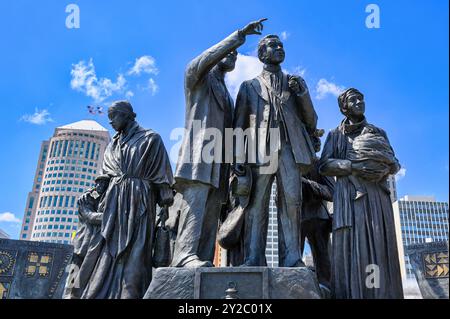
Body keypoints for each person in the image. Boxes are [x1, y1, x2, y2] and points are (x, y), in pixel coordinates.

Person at [171, 19, 267, 268]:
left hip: (220, 161)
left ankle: (201, 258)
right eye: (230, 53)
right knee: (196, 204)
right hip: (199, 155)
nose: (233, 56)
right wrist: (239, 36)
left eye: (236, 54)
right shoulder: (197, 78)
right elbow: (207, 57)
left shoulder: (226, 92)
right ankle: (183, 255)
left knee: (212, 210)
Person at [233, 34, 318, 267]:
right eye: (273, 45)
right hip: (261, 150)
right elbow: (240, 124)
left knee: (292, 201)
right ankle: (253, 257)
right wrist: (238, 157)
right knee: (256, 203)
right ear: (261, 54)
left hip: (290, 149)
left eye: (281, 45)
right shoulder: (249, 86)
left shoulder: (295, 83)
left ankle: (291, 257)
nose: (279, 48)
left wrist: (303, 94)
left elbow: (311, 122)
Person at [80, 100, 174, 299]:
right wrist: (93, 195)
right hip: (112, 203)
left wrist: (164, 204)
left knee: (136, 254)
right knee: (105, 256)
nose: (111, 122)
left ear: (126, 115)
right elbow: (104, 178)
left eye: (114, 116)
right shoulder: (113, 143)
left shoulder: (150, 138)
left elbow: (163, 183)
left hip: (139, 201)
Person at [319, 88, 404, 299]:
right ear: (343, 108)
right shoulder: (335, 135)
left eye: (361, 99)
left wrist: (384, 168)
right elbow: (324, 166)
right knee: (353, 246)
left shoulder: (379, 133)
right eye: (353, 99)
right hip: (349, 198)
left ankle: (380, 293)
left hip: (376, 196)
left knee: (377, 241)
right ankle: (353, 293)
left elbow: (395, 164)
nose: (359, 102)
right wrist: (353, 167)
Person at [63, 175, 110, 299]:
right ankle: (69, 295)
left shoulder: (102, 200)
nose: (101, 186)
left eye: (104, 184)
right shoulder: (86, 199)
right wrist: (112, 215)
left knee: (87, 270)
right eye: (99, 183)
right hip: (82, 240)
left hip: (92, 242)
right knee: (75, 267)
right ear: (95, 184)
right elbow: (89, 216)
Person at [299, 135, 334, 291]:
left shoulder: (320, 164)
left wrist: (308, 184)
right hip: (297, 218)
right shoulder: (293, 163)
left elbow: (332, 192)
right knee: (291, 261)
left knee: (323, 260)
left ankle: (326, 289)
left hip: (319, 219)